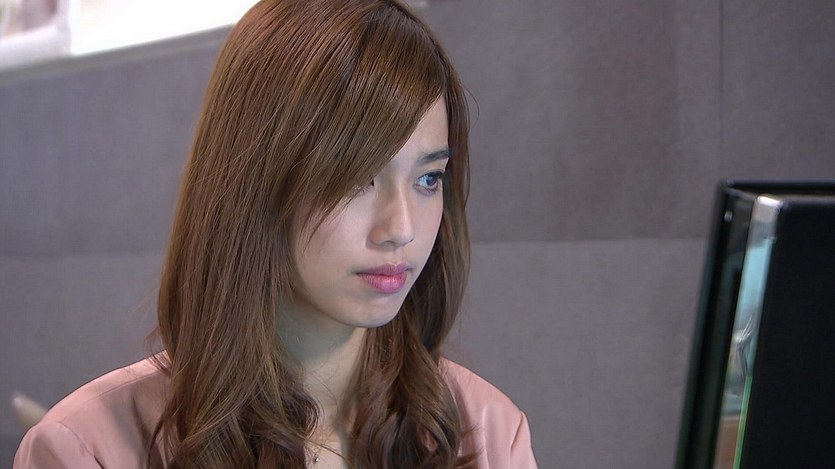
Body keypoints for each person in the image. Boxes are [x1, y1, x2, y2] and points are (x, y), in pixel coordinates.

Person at [14, 0, 538, 467]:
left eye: (428, 180)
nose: (401, 229)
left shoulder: (486, 433)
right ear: (257, 180)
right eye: (357, 179)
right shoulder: (86, 449)